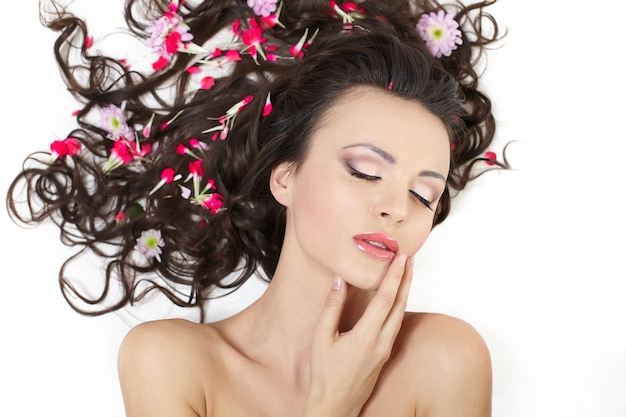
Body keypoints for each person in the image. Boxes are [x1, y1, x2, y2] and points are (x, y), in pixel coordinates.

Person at [6, 0, 506, 415]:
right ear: (285, 177)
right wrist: (329, 405)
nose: (397, 208)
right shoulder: (173, 364)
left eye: (423, 195)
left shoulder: (445, 359)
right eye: (365, 171)